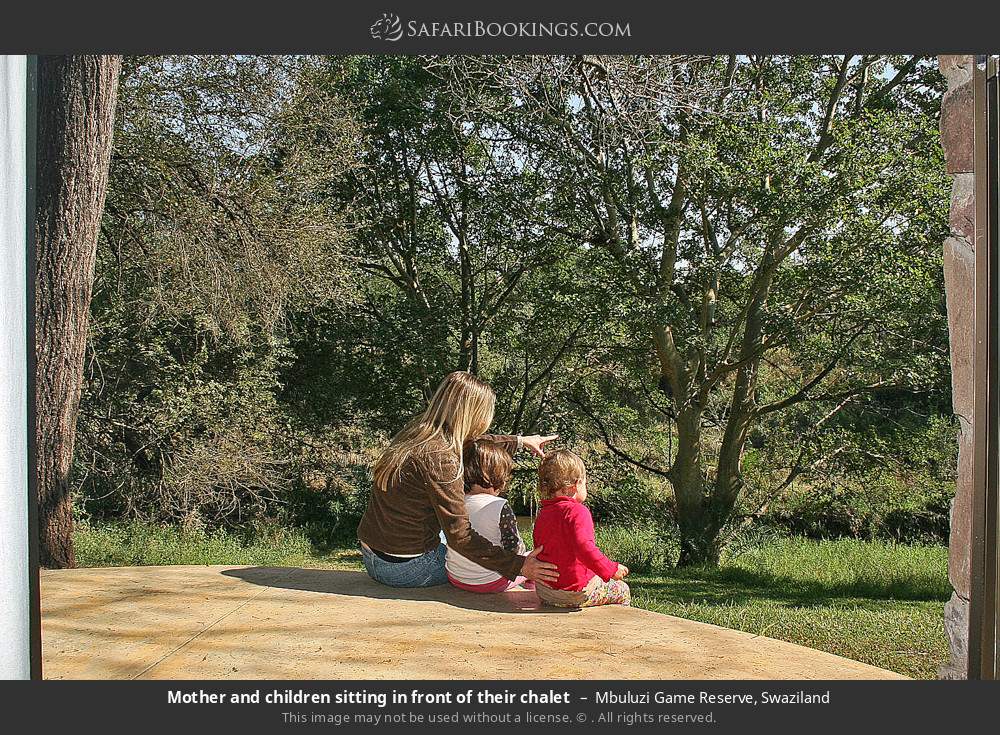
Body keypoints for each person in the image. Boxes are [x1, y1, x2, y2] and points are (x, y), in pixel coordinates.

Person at [356, 371, 559, 588]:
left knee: (459, 541)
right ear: (474, 414)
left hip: (372, 556)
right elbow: (460, 536)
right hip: (407, 569)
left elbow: (476, 440)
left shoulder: (418, 434)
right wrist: (518, 565)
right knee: (476, 564)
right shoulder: (442, 459)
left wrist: (519, 441)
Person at [531, 449, 631, 608]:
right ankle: (615, 627)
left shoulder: (543, 514)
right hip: (576, 593)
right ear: (575, 485)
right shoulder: (578, 511)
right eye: (585, 483)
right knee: (622, 589)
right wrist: (611, 569)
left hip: (545, 592)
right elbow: (584, 546)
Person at [445, 439, 534, 593]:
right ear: (499, 477)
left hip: (455, 578)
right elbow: (513, 548)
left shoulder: (455, 503)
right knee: (533, 555)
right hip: (490, 581)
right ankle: (530, 583)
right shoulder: (500, 506)